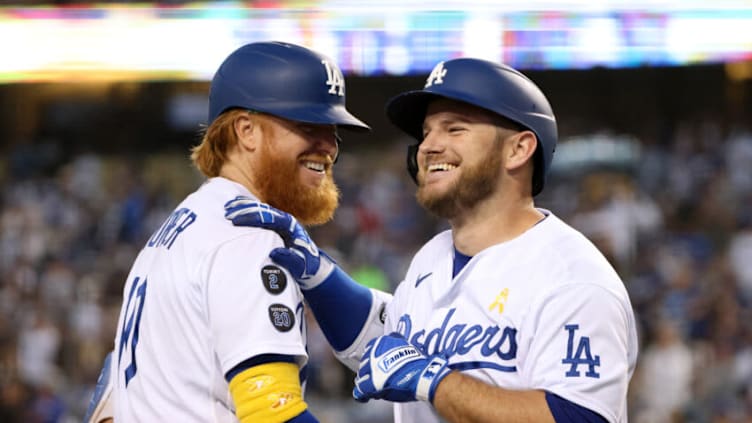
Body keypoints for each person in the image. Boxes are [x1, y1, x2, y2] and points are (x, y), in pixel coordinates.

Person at [224, 57, 639, 422]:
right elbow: (386, 347)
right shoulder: (433, 257)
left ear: (519, 150)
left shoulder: (572, 278)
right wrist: (318, 274)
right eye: (426, 132)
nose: (428, 146)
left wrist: (435, 381)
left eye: (454, 129)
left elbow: (577, 417)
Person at [86, 41, 375, 423]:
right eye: (309, 126)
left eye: (333, 131)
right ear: (246, 131)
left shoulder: (180, 225)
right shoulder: (248, 235)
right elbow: (272, 415)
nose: (329, 147)